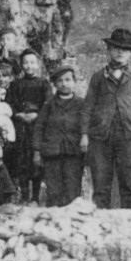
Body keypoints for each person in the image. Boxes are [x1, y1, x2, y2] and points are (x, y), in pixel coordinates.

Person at [80, 27, 131, 210]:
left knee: (129, 185)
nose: (120, 52)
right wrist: (84, 134)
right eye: (116, 48)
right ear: (109, 50)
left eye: (125, 49)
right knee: (101, 185)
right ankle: (102, 227)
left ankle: (129, 226)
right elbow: (88, 107)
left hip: (129, 137)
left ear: (130, 53)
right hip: (101, 137)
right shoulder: (98, 77)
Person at [32, 62, 84, 207]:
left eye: (68, 80)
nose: (64, 84)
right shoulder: (49, 105)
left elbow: (86, 128)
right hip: (52, 154)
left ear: (74, 82)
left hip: (73, 153)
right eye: (59, 81)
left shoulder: (81, 104)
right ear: (55, 84)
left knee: (73, 192)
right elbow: (39, 128)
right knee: (54, 192)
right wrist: (37, 151)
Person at [8, 49, 52, 204]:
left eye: (32, 62)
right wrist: (18, 114)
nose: (29, 66)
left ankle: (35, 197)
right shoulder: (15, 84)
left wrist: (36, 115)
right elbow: (9, 104)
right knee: (21, 160)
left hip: (37, 127)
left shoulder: (44, 84)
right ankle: (24, 196)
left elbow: (48, 105)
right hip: (20, 127)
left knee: (36, 161)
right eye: (25, 62)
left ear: (38, 64)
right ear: (21, 65)